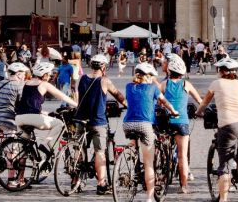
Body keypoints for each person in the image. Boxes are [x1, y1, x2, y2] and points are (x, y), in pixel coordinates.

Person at [196, 58, 238, 202]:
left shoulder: (217, 83)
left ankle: (223, 199)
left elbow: (205, 102)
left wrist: (198, 112)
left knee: (224, 165)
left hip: (230, 124)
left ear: (222, 71)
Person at [122, 62, 178, 202]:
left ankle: (132, 157)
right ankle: (149, 197)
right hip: (145, 125)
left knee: (135, 139)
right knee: (148, 163)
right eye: (152, 76)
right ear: (148, 76)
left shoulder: (129, 86)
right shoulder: (153, 88)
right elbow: (164, 102)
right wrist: (174, 111)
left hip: (127, 124)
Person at [75, 54, 126, 195]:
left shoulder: (82, 78)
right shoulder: (104, 81)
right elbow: (118, 95)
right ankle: (101, 184)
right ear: (103, 67)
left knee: (79, 149)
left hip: (80, 120)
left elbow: (78, 97)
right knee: (99, 152)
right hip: (98, 121)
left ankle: (76, 181)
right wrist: (127, 104)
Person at [162, 54, 203, 193]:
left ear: (169, 71)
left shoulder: (164, 84)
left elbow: (157, 100)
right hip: (181, 122)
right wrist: (202, 112)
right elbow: (199, 101)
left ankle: (160, 173)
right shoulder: (186, 84)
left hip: (166, 122)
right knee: (182, 155)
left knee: (161, 145)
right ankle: (184, 186)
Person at [13, 62, 76, 138]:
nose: (50, 77)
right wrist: (77, 105)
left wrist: (41, 112)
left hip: (19, 118)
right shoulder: (44, 84)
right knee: (59, 123)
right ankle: (46, 143)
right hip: (31, 118)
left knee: (27, 143)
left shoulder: (26, 83)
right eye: (49, 74)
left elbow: (27, 102)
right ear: (44, 75)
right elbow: (62, 96)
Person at [0, 62, 29, 132]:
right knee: (23, 133)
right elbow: (22, 103)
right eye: (24, 74)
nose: (24, 77)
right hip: (7, 119)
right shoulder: (18, 85)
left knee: (7, 140)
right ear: (18, 74)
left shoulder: (1, 83)